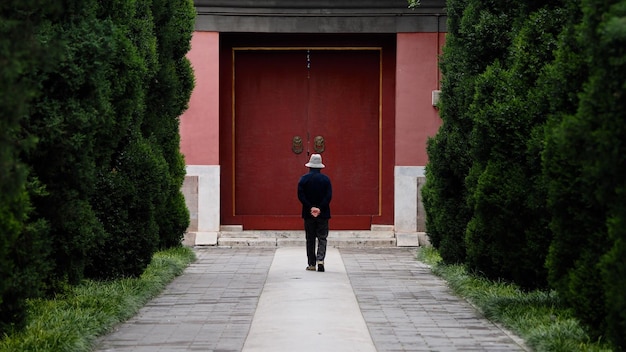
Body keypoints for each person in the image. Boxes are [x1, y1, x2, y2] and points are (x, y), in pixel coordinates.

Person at [297, 153, 332, 272]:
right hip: (323, 213)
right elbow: (328, 196)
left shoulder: (304, 179)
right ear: (320, 167)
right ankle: (320, 260)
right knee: (322, 237)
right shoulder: (326, 180)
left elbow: (301, 195)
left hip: (308, 213)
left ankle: (311, 264)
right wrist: (319, 208)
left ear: (309, 166)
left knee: (310, 238)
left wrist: (311, 207)